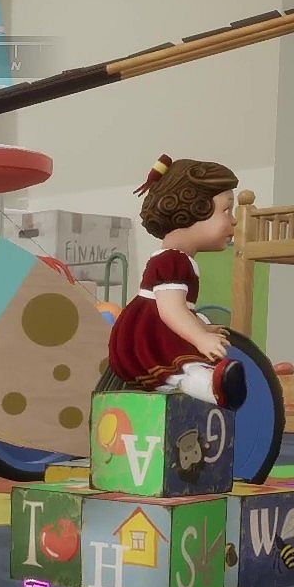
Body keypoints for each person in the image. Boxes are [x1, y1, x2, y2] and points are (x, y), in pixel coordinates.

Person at [104, 155, 248, 410]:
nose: (233, 220)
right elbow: (171, 310)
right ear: (193, 211)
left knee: (188, 355)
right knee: (182, 367)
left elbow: (181, 311)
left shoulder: (179, 259)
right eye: (226, 210)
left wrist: (202, 328)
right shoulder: (172, 261)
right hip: (150, 333)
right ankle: (213, 387)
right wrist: (200, 338)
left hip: (158, 325)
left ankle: (213, 384)